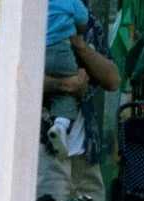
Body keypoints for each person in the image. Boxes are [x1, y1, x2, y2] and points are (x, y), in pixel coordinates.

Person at [39, 11, 119, 201]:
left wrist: (79, 44)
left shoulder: (89, 21)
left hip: (86, 154)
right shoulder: (31, 18)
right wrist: (65, 84)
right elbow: (11, 76)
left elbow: (113, 78)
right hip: (47, 152)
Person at [42, 0, 89, 158]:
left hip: (38, 50)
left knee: (55, 89)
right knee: (71, 88)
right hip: (61, 50)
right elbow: (83, 22)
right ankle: (60, 125)